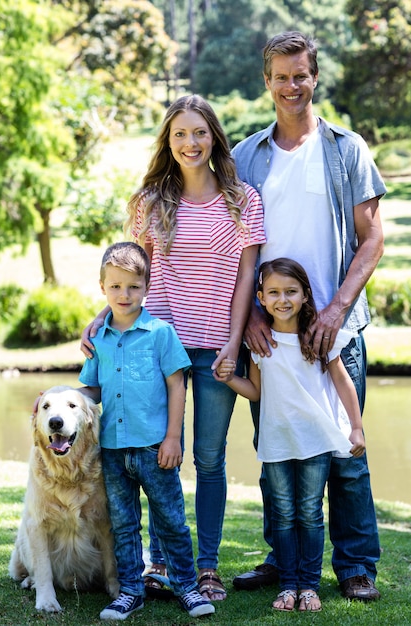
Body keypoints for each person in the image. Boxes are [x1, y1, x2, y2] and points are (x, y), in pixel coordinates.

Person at [81, 95, 266, 601]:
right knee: (157, 457)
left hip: (214, 349)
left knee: (208, 459)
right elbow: (129, 274)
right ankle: (160, 564)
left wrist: (233, 343)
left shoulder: (242, 201)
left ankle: (205, 569)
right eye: (180, 134)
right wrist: (104, 314)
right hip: (154, 349)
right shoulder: (150, 201)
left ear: (214, 138)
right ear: (168, 140)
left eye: (200, 132)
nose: (190, 143)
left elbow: (246, 275)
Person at [227, 31, 386, 600]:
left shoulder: (348, 149)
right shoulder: (245, 157)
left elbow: (372, 240)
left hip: (336, 328)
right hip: (271, 335)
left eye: (301, 75)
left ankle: (356, 565)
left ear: (314, 78)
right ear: (266, 81)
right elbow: (233, 249)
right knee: (277, 451)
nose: (291, 86)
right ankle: (283, 558)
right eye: (281, 76)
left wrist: (337, 308)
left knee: (345, 451)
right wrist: (246, 320)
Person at [215, 258, 366, 612]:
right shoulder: (260, 343)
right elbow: (256, 391)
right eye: (274, 293)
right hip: (277, 440)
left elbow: (343, 381)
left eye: (291, 292)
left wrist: (356, 426)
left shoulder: (317, 337)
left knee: (310, 512)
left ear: (304, 295)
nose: (283, 299)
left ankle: (309, 587)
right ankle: (288, 586)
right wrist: (229, 378)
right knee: (283, 513)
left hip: (315, 439)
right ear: (261, 298)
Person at [78, 242, 215, 620]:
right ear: (102, 287)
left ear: (147, 286)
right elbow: (92, 391)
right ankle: (131, 591)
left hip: (156, 447)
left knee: (170, 520)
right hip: (113, 449)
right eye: (116, 286)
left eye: (133, 287)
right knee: (123, 524)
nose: (124, 295)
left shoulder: (160, 333)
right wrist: (61, 397)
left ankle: (187, 587)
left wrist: (173, 437)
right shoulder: (98, 340)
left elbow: (177, 385)